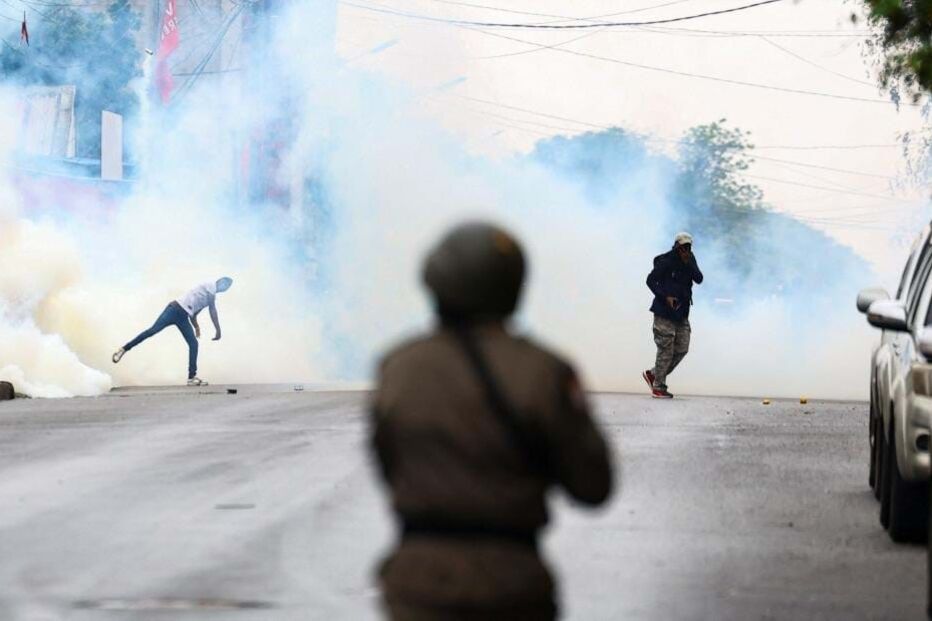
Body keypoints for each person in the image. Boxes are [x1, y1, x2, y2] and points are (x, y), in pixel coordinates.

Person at [370, 222, 614, 621]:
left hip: (417, 583)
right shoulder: (543, 371)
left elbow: (387, 463)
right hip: (511, 583)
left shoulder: (398, 367)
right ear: (513, 287)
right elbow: (593, 485)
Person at [111, 277, 232, 386]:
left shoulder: (208, 298)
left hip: (183, 317)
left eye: (227, 287)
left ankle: (191, 377)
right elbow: (213, 310)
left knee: (194, 344)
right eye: (225, 284)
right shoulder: (210, 285)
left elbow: (194, 313)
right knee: (152, 331)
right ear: (219, 281)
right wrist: (218, 330)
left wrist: (196, 327)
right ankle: (123, 349)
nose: (224, 288)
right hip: (173, 310)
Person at [642, 232, 703, 399]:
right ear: (676, 247)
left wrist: (689, 262)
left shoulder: (690, 259)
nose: (686, 250)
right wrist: (665, 296)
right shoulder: (666, 261)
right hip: (663, 311)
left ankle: (654, 374)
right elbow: (650, 280)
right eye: (683, 247)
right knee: (666, 348)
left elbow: (699, 279)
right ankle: (658, 387)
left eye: (689, 247)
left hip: (681, 313)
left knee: (682, 348)